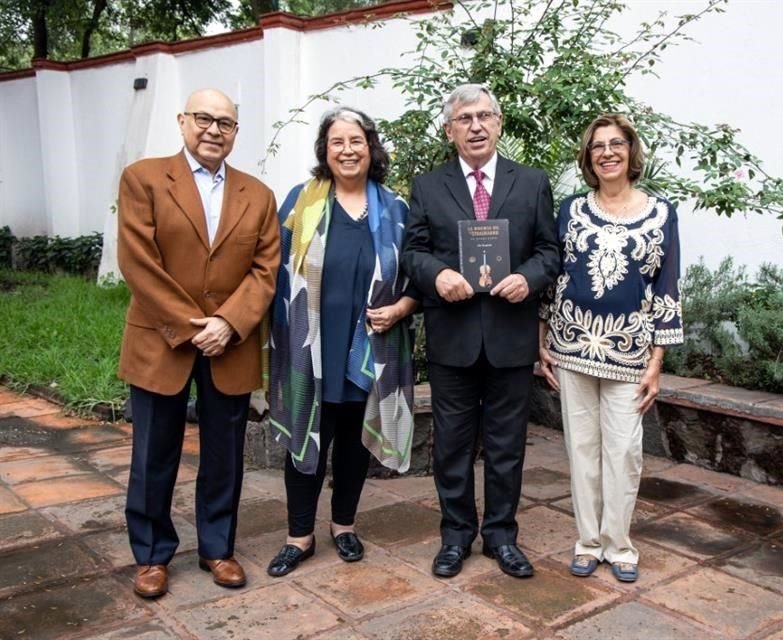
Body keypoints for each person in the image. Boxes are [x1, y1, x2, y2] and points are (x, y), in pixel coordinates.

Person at [117, 88, 280, 598]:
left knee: (224, 456)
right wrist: (194, 327)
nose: (214, 130)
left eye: (226, 123)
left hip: (230, 344)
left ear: (236, 132)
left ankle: (217, 548)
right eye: (204, 119)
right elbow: (138, 263)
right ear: (183, 121)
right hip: (160, 342)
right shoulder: (144, 178)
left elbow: (265, 270)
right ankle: (151, 555)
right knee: (153, 454)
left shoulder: (258, 194)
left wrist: (229, 323)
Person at [401, 84, 560, 579]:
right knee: (450, 445)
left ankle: (500, 536)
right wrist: (437, 275)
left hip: (510, 337)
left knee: (507, 444)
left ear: (500, 123)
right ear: (449, 130)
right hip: (454, 337)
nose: (475, 126)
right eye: (464, 118)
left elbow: (550, 252)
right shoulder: (428, 186)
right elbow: (412, 251)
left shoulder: (531, 183)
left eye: (484, 116)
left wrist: (528, 277)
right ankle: (455, 537)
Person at [266, 107, 418, 577]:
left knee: (353, 446)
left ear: (371, 148)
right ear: (324, 151)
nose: (348, 150)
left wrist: (402, 308)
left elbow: (417, 278)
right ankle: (299, 536)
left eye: (357, 141)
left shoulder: (396, 209)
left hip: (371, 349)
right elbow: (270, 272)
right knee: (305, 443)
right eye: (338, 142)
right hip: (309, 348)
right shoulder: (300, 203)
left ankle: (344, 526)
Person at [538, 113, 683, 583]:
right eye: (598, 146)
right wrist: (541, 340)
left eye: (616, 144)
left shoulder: (661, 214)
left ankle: (620, 546)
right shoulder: (571, 210)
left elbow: (667, 287)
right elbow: (553, 277)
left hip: (630, 352)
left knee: (623, 452)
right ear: (588, 156)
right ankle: (587, 543)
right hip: (572, 346)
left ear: (630, 151)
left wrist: (658, 361)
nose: (607, 153)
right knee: (582, 450)